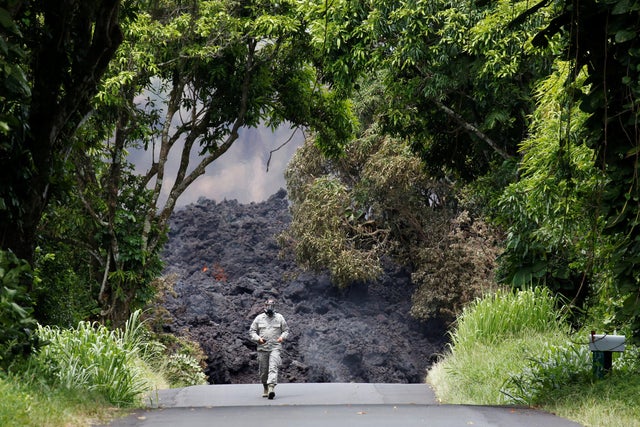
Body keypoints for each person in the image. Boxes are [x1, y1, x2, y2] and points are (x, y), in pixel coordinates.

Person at [249, 298, 289, 399]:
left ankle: (271, 387)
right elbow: (252, 331)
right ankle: (265, 387)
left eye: (271, 306)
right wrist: (258, 339)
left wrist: (281, 337)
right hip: (263, 348)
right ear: (265, 306)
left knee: (273, 367)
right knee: (263, 371)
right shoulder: (259, 318)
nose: (269, 308)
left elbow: (286, 330)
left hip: (275, 347)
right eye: (268, 306)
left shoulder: (279, 318)